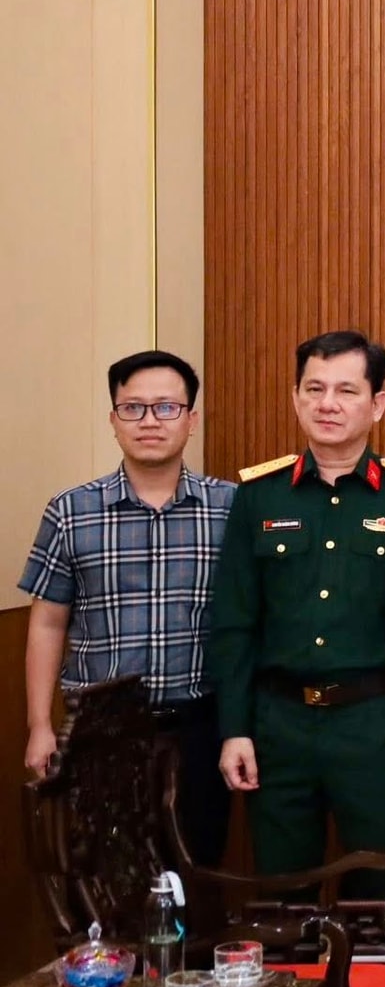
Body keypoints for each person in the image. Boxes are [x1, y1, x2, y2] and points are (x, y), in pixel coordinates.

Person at [206, 331, 385, 906]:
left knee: (384, 893)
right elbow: (235, 623)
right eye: (314, 389)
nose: (327, 403)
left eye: (346, 390)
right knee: (282, 895)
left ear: (376, 404)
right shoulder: (259, 497)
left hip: (376, 725)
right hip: (278, 725)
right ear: (296, 397)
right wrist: (235, 728)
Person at [19, 350, 236, 867]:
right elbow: (48, 622)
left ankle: (189, 953)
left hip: (200, 727)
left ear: (191, 419)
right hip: (104, 730)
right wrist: (39, 725)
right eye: (133, 408)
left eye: (165, 407)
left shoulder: (230, 508)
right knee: (108, 878)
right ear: (113, 421)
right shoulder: (71, 510)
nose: (149, 422)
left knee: (197, 873)